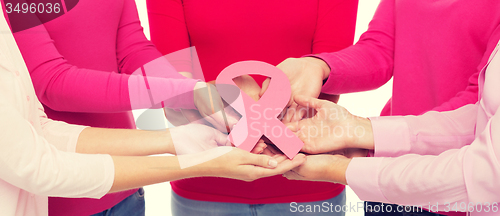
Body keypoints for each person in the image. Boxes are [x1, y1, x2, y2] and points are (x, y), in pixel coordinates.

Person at [0, 6, 307, 216]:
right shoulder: (17, 4)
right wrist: (187, 92)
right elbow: (53, 83)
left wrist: (198, 98)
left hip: (128, 182)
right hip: (61, 191)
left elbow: (133, 47)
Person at [268, 0, 500, 215]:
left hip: (449, 181)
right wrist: (319, 67)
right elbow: (380, 49)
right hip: (380, 166)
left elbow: (479, 105)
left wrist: (362, 146)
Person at [146, 0, 358, 214]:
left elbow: (328, 85)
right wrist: (215, 100)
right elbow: (170, 93)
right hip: (204, 182)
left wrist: (252, 120)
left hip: (308, 183)